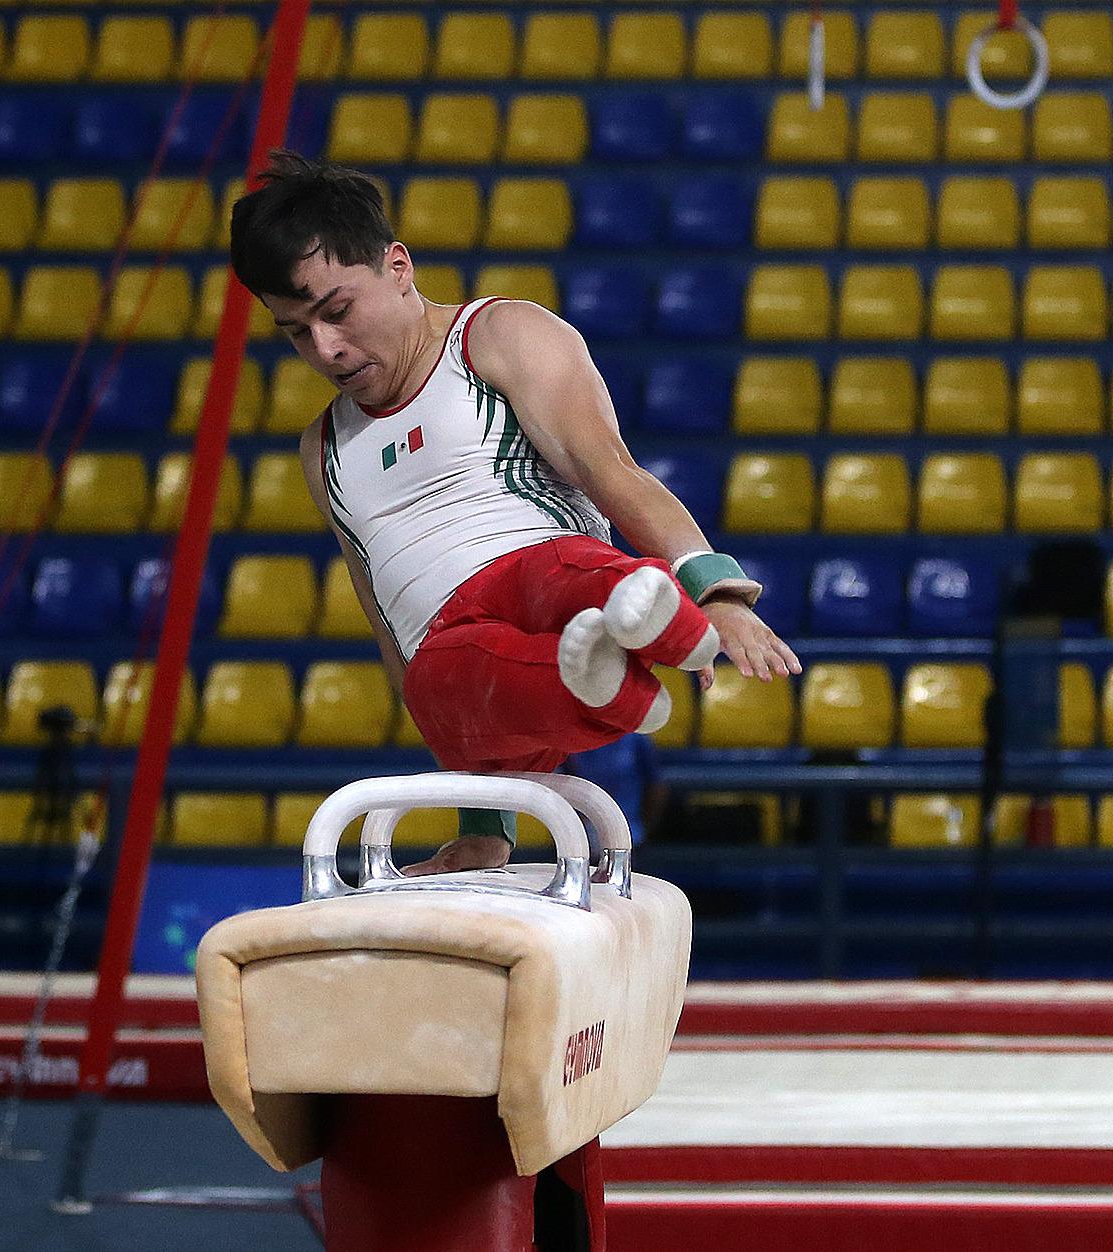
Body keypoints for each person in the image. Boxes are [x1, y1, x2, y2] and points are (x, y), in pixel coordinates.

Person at [230, 152, 800, 876]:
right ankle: (616, 686)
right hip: (454, 653)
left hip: (542, 576)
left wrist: (717, 591)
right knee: (440, 679)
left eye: (337, 311)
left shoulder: (496, 338)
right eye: (295, 331)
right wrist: (484, 831)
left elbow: (610, 471)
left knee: (566, 575)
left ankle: (662, 622)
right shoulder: (322, 451)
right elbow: (387, 628)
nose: (327, 348)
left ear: (398, 266)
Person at [562, 735, 667, 847]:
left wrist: (645, 827)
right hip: (582, 837)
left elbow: (656, 786)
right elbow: (563, 784)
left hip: (630, 832)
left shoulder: (636, 740)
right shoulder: (571, 740)